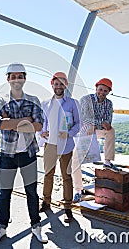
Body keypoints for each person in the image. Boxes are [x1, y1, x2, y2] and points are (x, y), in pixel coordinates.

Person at [0, 63, 48, 244]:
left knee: (32, 192)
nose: (16, 79)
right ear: (7, 79)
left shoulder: (34, 99)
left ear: (25, 78)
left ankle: (36, 226)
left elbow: (38, 126)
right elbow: (1, 124)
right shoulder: (0, 101)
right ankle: (1, 227)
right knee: (4, 193)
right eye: (12, 76)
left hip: (28, 153)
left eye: (19, 76)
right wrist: (26, 120)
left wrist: (13, 121)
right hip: (7, 154)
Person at [38, 72, 80, 223]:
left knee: (66, 176)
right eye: (56, 83)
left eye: (61, 84)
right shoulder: (45, 104)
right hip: (50, 144)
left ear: (65, 86)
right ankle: (46, 202)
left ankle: (67, 207)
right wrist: (42, 132)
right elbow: (41, 122)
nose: (58, 86)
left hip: (66, 145)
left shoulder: (72, 103)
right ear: (52, 84)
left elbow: (78, 124)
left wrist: (69, 133)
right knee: (48, 174)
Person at [72, 77, 118, 202]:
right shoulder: (86, 99)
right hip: (85, 132)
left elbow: (108, 122)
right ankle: (78, 190)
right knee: (75, 161)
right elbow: (84, 118)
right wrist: (98, 123)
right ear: (96, 88)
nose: (102, 92)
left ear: (108, 92)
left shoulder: (109, 104)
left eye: (105, 91)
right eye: (100, 89)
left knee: (111, 131)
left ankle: (107, 162)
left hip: (96, 130)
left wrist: (99, 124)